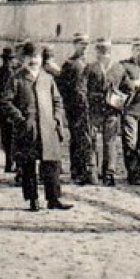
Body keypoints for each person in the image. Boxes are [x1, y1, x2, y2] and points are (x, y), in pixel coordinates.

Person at [2, 42, 73, 212]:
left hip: (48, 128)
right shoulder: (16, 79)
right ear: (24, 59)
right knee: (28, 165)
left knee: (52, 164)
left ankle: (53, 198)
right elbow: (6, 102)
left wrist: (56, 119)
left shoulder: (47, 79)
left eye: (37, 57)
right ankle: (33, 199)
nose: (34, 60)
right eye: (30, 57)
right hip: (28, 128)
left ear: (41, 59)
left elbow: (57, 101)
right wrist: (20, 119)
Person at [104, 40, 140, 185]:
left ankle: (138, 172)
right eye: (139, 50)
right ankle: (132, 174)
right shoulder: (123, 66)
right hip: (130, 111)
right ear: (133, 50)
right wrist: (130, 87)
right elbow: (112, 84)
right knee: (131, 142)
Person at [57, 35, 94, 185]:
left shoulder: (87, 64)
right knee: (78, 139)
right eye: (81, 44)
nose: (84, 47)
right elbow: (61, 85)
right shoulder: (69, 64)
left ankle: (83, 170)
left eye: (86, 44)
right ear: (75, 45)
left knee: (85, 139)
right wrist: (69, 102)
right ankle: (77, 171)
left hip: (86, 107)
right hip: (74, 107)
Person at [82, 39, 114, 185]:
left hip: (102, 111)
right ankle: (103, 174)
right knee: (106, 142)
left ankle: (98, 174)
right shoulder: (116, 68)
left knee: (96, 142)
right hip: (104, 111)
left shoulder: (92, 67)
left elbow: (82, 89)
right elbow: (129, 88)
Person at [0, 48, 16, 173]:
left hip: (3, 106)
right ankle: (10, 162)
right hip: (9, 106)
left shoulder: (0, 70)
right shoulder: (9, 72)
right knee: (10, 135)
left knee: (7, 135)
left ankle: (9, 163)